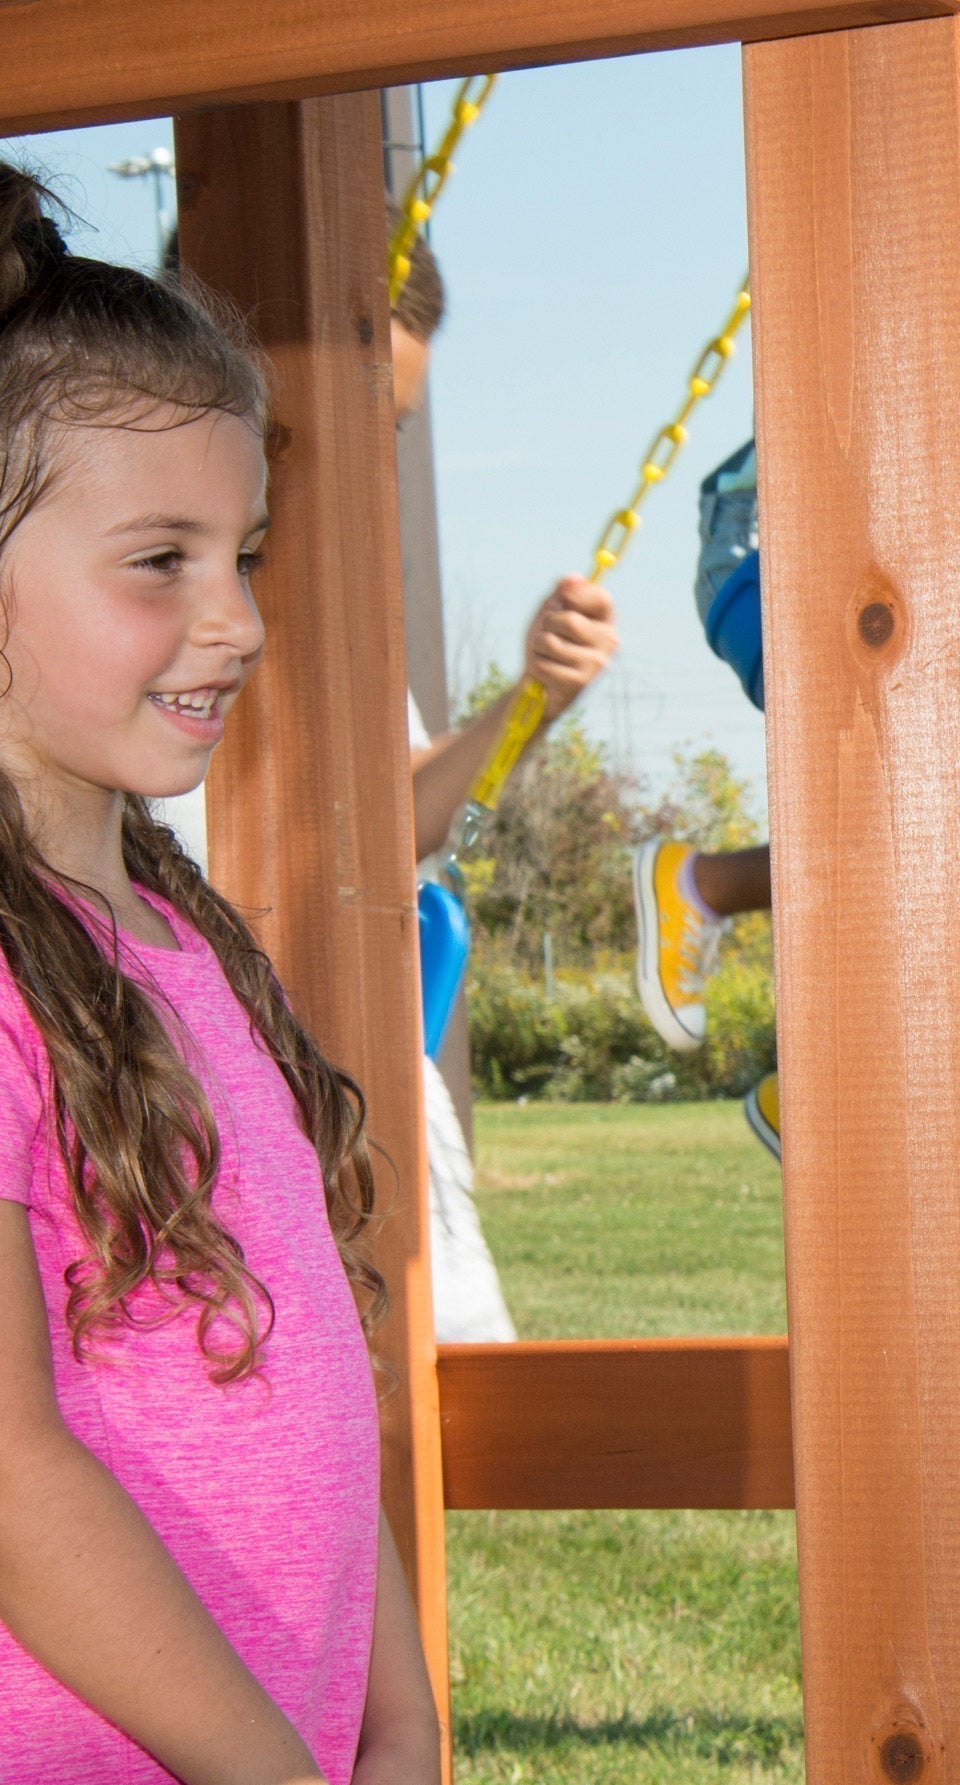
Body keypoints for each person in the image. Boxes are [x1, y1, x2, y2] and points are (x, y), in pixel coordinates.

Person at [0, 163, 443, 1785]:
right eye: (162, 564)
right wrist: (264, 1781)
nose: (236, 621)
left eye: (247, 559)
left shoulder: (179, 935)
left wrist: (394, 1735)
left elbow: (311, 1356)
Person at [634, 392, 960, 1159]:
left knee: (941, 837)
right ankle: (704, 886)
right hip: (765, 541)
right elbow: (935, 467)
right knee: (903, 773)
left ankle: (820, 1075)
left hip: (847, 563)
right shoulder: (898, 349)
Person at [384, 225, 619, 1338]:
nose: (364, 458)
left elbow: (405, 820)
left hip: (373, 1087)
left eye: (387, 428)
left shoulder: (337, 612)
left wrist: (532, 696)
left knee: (451, 1383)